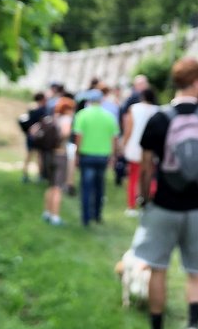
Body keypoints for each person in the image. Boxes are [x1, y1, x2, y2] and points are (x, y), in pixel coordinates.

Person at [131, 57, 198, 329]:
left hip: (164, 205)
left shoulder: (159, 119)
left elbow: (146, 165)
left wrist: (145, 196)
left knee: (158, 268)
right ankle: (194, 324)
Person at [72, 89, 119, 226]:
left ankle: (86, 218)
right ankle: (97, 215)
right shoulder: (109, 116)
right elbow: (114, 138)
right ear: (101, 100)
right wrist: (113, 155)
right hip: (103, 156)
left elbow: (78, 136)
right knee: (100, 187)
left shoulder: (82, 115)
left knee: (86, 188)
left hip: (87, 155)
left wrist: (77, 154)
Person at [122, 88, 159, 215]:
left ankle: (132, 205)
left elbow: (129, 128)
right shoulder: (157, 111)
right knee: (149, 175)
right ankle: (149, 203)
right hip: (151, 148)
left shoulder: (134, 108)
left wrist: (124, 143)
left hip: (135, 146)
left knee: (133, 177)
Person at [41, 97, 76, 225]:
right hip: (60, 155)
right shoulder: (66, 119)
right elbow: (65, 133)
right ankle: (55, 216)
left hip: (50, 154)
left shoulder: (53, 118)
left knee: (50, 185)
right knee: (58, 187)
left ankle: (47, 212)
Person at [19, 92, 48, 183]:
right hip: (38, 135)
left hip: (29, 135)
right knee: (39, 156)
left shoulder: (31, 108)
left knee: (29, 155)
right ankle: (40, 175)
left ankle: (25, 174)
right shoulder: (42, 110)